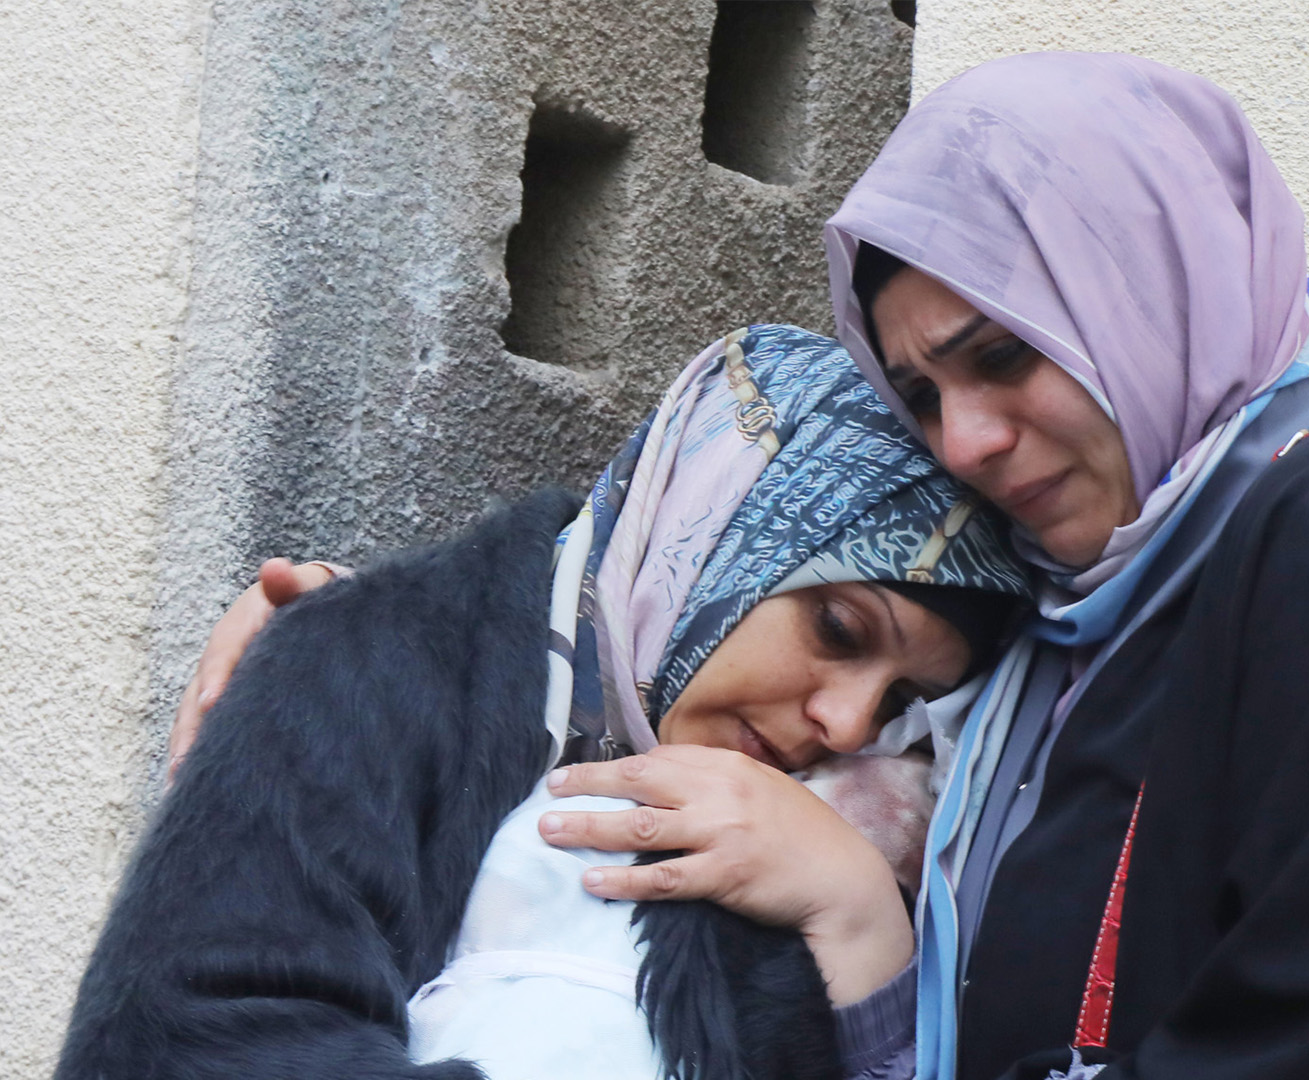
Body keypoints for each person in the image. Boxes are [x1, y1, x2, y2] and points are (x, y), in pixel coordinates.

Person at [172, 52, 1309, 1080]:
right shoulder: (1048, 662)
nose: (970, 441)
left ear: (1144, 289)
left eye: (1006, 355)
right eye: (924, 392)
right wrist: (359, 662)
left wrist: (863, 926)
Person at [58, 324, 1030, 1080]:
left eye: (904, 696)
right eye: (839, 630)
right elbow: (181, 1043)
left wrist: (862, 928)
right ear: (712, 527)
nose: (850, 724)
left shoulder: (865, 835)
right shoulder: (375, 666)